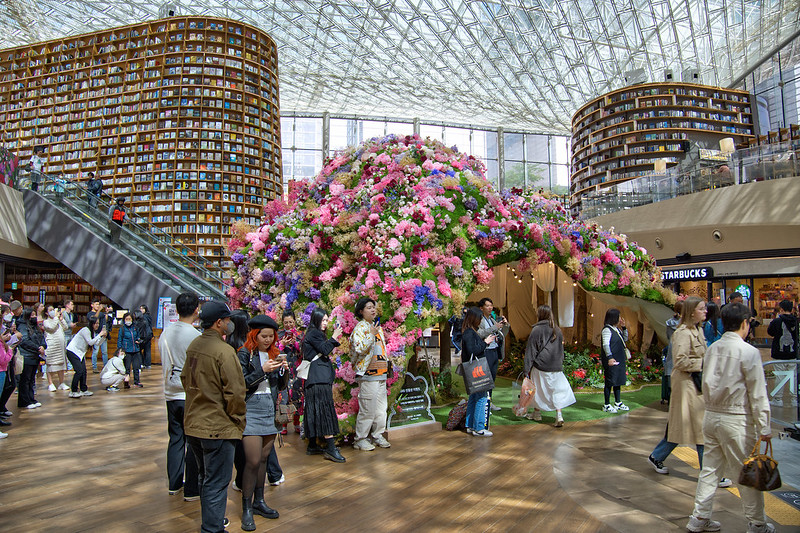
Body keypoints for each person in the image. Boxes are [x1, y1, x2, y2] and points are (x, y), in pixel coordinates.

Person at [686, 303, 774, 533]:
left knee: (710, 470)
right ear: (745, 323)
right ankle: (757, 523)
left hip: (712, 416)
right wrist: (764, 426)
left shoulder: (713, 348)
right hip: (737, 420)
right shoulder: (749, 352)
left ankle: (699, 517)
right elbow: (758, 393)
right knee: (746, 473)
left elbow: (705, 380)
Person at [647, 297, 731, 486]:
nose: (705, 312)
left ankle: (657, 456)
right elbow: (681, 361)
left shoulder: (698, 330)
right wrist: (704, 363)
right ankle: (710, 474)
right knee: (699, 430)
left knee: (684, 428)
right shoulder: (683, 333)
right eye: (701, 309)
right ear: (692, 311)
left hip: (696, 386)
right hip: (687, 386)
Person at [182, 301, 247, 533]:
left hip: (194, 424)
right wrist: (237, 419)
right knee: (217, 482)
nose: (230, 324)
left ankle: (210, 523)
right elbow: (236, 392)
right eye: (227, 320)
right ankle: (212, 529)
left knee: (204, 477)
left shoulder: (194, 346)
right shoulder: (224, 351)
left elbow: (184, 379)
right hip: (218, 426)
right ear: (219, 323)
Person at [237, 315, 288, 529]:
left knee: (265, 459)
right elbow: (240, 382)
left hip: (269, 407)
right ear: (254, 335)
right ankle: (246, 507)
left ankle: (259, 501)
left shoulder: (273, 353)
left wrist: (283, 370)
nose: (268, 340)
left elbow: (282, 386)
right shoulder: (243, 353)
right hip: (250, 409)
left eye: (271, 336)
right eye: (263, 336)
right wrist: (263, 371)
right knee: (252, 460)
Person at [158, 292, 201, 502]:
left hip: (170, 392)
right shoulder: (194, 335)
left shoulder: (165, 333)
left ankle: (174, 484)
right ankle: (192, 487)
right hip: (189, 393)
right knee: (193, 440)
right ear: (196, 310)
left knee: (175, 439)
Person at [302, 307, 346, 462]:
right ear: (317, 319)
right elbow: (325, 350)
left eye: (327, 320)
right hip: (318, 379)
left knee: (314, 410)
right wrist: (334, 337)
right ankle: (331, 448)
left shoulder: (313, 333)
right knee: (325, 410)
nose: (326, 323)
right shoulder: (314, 333)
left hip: (315, 378)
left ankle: (312, 445)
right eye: (324, 320)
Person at [523, 305, 576, 427]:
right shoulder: (556, 329)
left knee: (537, 390)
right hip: (555, 366)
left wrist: (526, 369)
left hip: (540, 365)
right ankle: (559, 415)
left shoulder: (536, 330)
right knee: (556, 391)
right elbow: (561, 349)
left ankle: (537, 413)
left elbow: (531, 351)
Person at [350, 297, 392, 451]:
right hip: (368, 374)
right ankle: (360, 439)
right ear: (361, 311)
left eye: (373, 307)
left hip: (381, 373)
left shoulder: (376, 327)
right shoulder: (360, 328)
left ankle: (377, 435)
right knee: (368, 408)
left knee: (381, 409)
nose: (373, 310)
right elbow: (360, 348)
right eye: (368, 307)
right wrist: (371, 335)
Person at [461, 306, 498, 436]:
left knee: (474, 396)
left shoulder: (468, 331)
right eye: (480, 318)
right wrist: (486, 342)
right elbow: (473, 350)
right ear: (475, 318)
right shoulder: (469, 333)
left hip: (472, 369)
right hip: (477, 369)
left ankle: (470, 425)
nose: (481, 320)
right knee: (481, 397)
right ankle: (479, 428)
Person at [767, 300, 798, 407]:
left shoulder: (776, 321)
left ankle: (778, 399)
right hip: (793, 353)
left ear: (781, 309)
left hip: (779, 354)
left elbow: (770, 332)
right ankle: (795, 399)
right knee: (793, 376)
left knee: (780, 376)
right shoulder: (796, 321)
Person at [477, 298, 507, 411]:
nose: (490, 308)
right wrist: (495, 327)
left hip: (495, 350)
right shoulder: (480, 320)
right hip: (486, 351)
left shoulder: (491, 319)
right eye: (487, 306)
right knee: (486, 378)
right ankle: (484, 402)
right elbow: (480, 334)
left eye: (491, 305)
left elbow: (501, 334)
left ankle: (489, 401)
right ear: (481, 308)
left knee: (492, 377)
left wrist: (505, 325)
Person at [65, 317, 106, 397]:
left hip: (80, 354)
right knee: (79, 371)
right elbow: (90, 342)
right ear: (92, 324)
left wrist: (103, 337)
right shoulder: (85, 330)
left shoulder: (92, 332)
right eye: (96, 323)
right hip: (73, 352)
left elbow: (97, 343)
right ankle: (73, 391)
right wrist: (100, 335)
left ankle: (83, 389)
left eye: (98, 323)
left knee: (84, 371)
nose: (97, 325)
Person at [278, 310, 303, 435]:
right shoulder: (278, 335)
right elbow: (274, 352)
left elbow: (303, 352)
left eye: (291, 322)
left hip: (297, 369)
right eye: (286, 322)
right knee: (284, 395)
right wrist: (281, 345)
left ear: (295, 322)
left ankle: (296, 422)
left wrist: (296, 344)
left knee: (297, 395)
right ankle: (283, 424)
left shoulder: (299, 335)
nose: (288, 325)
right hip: (284, 369)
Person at [600, 308, 629, 413]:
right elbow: (605, 344)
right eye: (618, 317)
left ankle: (618, 402)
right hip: (611, 360)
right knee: (610, 381)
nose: (620, 319)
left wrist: (624, 327)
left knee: (618, 381)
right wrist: (609, 357)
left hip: (619, 359)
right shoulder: (607, 329)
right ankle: (606, 404)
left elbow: (625, 339)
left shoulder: (616, 329)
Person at [16, 307, 46, 410]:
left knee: (32, 379)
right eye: (32, 315)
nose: (34, 317)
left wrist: (43, 346)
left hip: (35, 355)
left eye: (35, 315)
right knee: (25, 379)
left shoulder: (35, 327)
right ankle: (25, 401)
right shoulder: (23, 326)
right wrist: (37, 348)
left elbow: (42, 337)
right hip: (27, 356)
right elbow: (24, 341)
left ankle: (31, 398)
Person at [42, 305, 69, 392]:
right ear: (46, 312)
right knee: (51, 364)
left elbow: (66, 327)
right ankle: (50, 383)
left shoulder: (57, 320)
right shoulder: (46, 321)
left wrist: (61, 319)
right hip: (52, 346)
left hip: (60, 346)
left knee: (61, 364)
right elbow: (51, 327)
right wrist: (56, 318)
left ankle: (61, 383)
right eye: (51, 310)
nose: (53, 311)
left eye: (54, 309)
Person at [662, 301, 684, 405]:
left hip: (672, 348)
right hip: (682, 349)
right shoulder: (686, 324)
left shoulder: (669, 322)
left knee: (671, 377)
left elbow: (668, 337)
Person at [117, 312, 142, 388]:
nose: (128, 320)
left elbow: (138, 336)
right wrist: (120, 350)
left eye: (129, 319)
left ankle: (137, 382)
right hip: (126, 351)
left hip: (136, 350)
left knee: (136, 367)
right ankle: (126, 382)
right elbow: (119, 340)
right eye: (126, 319)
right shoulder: (122, 329)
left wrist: (138, 340)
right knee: (127, 368)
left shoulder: (135, 327)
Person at [87, 298, 109, 373]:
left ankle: (105, 366)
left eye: (98, 304)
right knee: (95, 351)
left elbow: (105, 320)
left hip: (103, 333)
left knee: (104, 352)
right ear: (92, 305)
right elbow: (94, 319)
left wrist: (106, 313)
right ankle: (94, 367)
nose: (98, 306)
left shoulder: (101, 313)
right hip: (96, 334)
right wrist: (99, 310)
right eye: (96, 304)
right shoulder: (90, 314)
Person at [138, 305, 154, 369]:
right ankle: (148, 364)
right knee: (147, 350)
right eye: (140, 309)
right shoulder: (149, 316)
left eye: (142, 309)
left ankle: (142, 363)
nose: (141, 310)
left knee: (139, 349)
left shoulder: (143, 317)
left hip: (144, 336)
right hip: (149, 335)